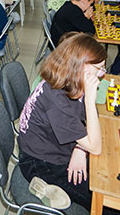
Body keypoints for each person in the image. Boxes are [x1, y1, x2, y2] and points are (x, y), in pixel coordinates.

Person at [18, 33, 106, 214]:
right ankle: (43, 186)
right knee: (105, 200)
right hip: (40, 162)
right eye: (99, 68)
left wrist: (80, 149)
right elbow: (95, 147)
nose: (102, 75)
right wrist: (90, 100)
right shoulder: (56, 98)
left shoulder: (68, 79)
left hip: (56, 147)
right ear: (81, 67)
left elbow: (86, 119)